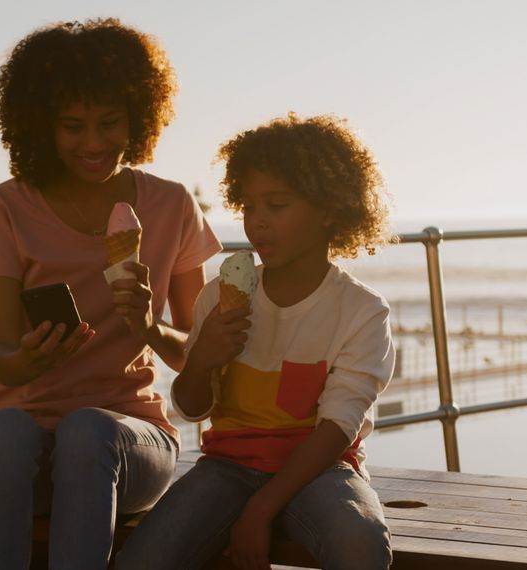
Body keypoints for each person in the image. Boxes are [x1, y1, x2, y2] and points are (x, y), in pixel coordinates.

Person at [0, 18, 222, 570]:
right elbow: (3, 358)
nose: (95, 143)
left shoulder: (172, 205)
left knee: (87, 429)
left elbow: (199, 354)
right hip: (25, 451)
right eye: (72, 126)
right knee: (4, 429)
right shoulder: (2, 208)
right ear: (40, 126)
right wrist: (27, 360)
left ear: (139, 117)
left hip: (129, 443)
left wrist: (150, 327)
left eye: (110, 123)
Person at [115, 113, 396, 570]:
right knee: (142, 560)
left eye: (276, 205)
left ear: (329, 210)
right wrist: (201, 361)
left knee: (359, 545)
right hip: (227, 466)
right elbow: (190, 407)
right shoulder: (221, 296)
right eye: (249, 206)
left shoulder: (362, 311)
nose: (256, 223)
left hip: (319, 471)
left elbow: (337, 428)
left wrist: (260, 509)